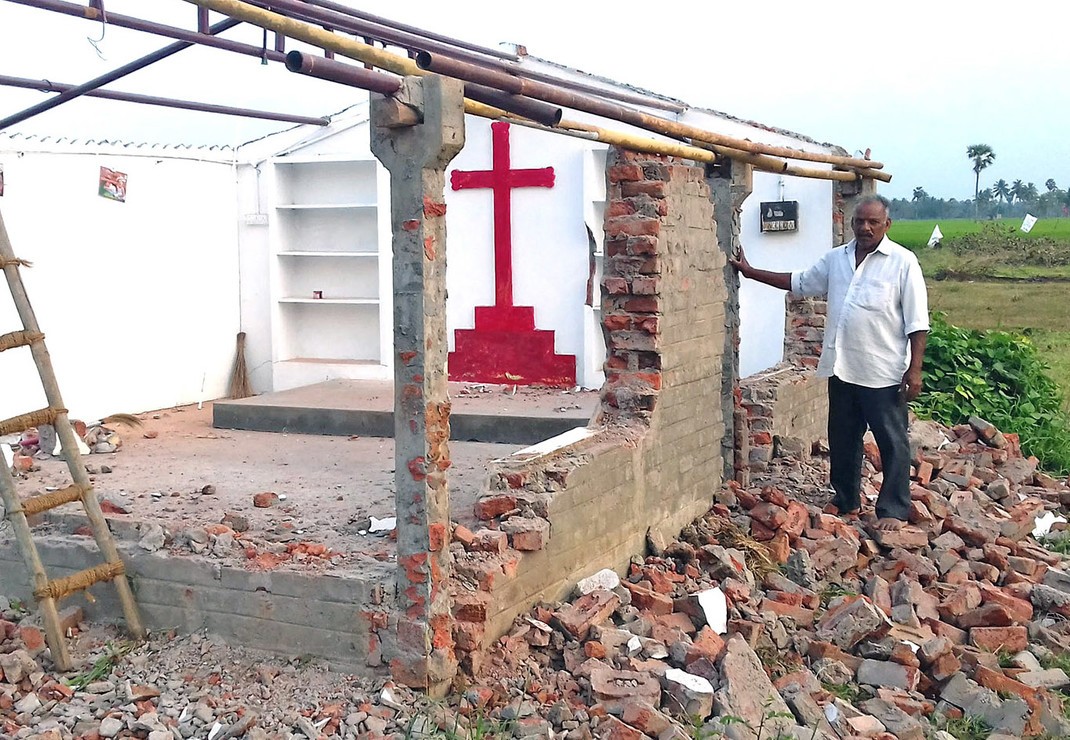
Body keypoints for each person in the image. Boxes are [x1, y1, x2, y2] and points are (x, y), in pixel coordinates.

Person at [729, 195, 929, 532]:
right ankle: (847, 498)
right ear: (852, 224)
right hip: (843, 368)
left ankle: (893, 508)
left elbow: (918, 322)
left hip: (884, 373)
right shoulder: (837, 259)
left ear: (886, 225)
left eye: (873, 222)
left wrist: (915, 369)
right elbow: (800, 282)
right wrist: (750, 273)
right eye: (859, 221)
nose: (865, 228)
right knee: (842, 438)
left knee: (893, 441)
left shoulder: (903, 263)